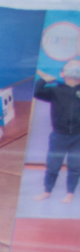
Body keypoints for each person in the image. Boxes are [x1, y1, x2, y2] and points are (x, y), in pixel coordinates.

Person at [32, 57, 80, 200]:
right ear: (62, 73)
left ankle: (70, 193)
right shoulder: (54, 91)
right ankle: (47, 191)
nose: (75, 68)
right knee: (53, 165)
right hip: (58, 135)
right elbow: (37, 92)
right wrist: (45, 80)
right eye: (70, 66)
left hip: (78, 137)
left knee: (75, 166)